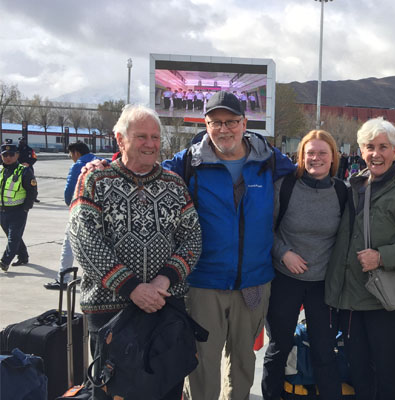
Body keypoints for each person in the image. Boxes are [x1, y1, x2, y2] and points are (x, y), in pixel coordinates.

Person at [162, 90, 295, 400]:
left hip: (254, 282)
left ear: (244, 123)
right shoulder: (189, 163)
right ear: (206, 124)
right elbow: (146, 172)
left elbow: (310, 174)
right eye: (215, 122)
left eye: (231, 121)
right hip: (204, 283)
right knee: (203, 364)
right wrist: (100, 166)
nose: (224, 129)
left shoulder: (270, 159)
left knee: (243, 363)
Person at [69, 104, 202, 399]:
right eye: (141, 136)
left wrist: (162, 282)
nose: (151, 144)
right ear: (120, 140)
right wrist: (131, 288)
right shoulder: (95, 180)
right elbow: (83, 240)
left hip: (164, 308)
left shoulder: (174, 184)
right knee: (114, 391)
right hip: (111, 310)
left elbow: (192, 239)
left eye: (155, 137)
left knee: (166, 388)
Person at [325, 117, 395, 400]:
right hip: (351, 299)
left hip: (385, 300)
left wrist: (383, 256)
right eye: (370, 147)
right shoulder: (356, 184)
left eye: (384, 147)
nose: (376, 154)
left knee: (386, 371)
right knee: (359, 369)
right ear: (361, 150)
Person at [262, 130, 344, 400]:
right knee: (279, 347)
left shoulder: (342, 192)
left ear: (333, 157)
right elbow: (264, 230)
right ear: (301, 156)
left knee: (324, 350)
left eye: (322, 153)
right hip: (285, 278)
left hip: (323, 284)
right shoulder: (284, 187)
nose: (316, 158)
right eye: (310, 153)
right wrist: (284, 253)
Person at [44, 141, 99, 290]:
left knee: (68, 244)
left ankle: (63, 278)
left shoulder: (78, 166)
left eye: (70, 154)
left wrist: (71, 207)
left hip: (80, 211)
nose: (71, 157)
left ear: (76, 152)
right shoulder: (101, 161)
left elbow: (69, 192)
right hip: (99, 213)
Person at [0, 140, 37, 272]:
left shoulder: (24, 171)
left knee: (12, 238)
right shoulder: (0, 170)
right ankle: (23, 256)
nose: (8, 158)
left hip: (18, 211)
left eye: (11, 155)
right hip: (2, 211)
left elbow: (32, 191)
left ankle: (4, 262)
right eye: (5, 155)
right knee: (15, 237)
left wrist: (26, 208)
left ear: (16, 155)